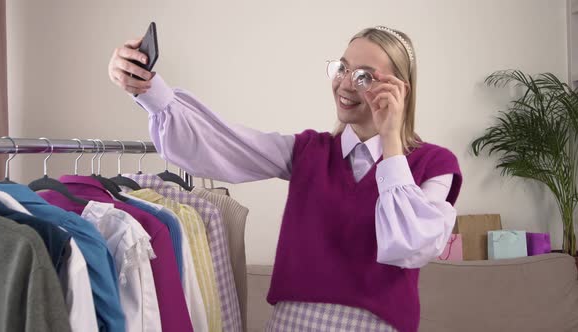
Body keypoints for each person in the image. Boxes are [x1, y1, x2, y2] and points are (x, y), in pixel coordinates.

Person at [108, 25, 462, 332]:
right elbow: (225, 143)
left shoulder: (434, 163)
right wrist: (150, 91)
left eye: (364, 76)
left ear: (400, 90)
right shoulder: (309, 151)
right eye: (343, 68)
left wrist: (391, 141)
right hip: (292, 322)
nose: (345, 83)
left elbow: (410, 245)